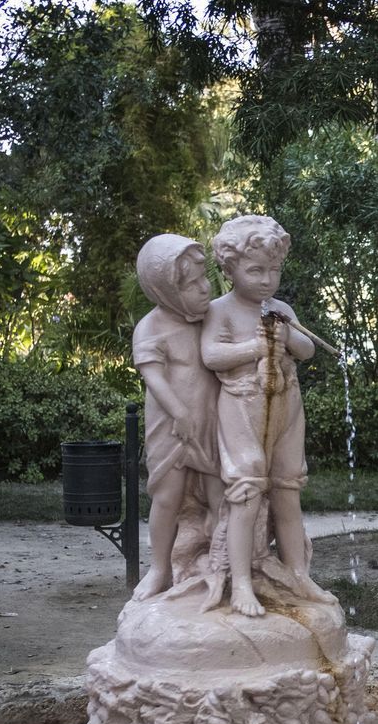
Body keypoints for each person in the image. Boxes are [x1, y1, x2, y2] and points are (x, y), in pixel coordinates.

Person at [201, 215, 336, 617]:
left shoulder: (280, 308)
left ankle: (298, 573)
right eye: (255, 270)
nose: (266, 280)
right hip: (242, 405)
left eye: (273, 270)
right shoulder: (220, 311)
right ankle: (240, 581)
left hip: (286, 405)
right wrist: (256, 348)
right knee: (246, 486)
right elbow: (211, 355)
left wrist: (288, 337)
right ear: (229, 269)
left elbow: (308, 350)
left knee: (287, 487)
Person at [131, 234, 225, 601]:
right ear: (165, 291)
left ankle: (223, 565)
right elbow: (152, 376)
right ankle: (160, 568)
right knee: (167, 498)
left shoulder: (210, 318)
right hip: (170, 427)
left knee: (220, 496)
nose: (205, 289)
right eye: (192, 284)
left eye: (206, 278)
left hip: (212, 421)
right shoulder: (151, 328)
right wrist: (179, 412)